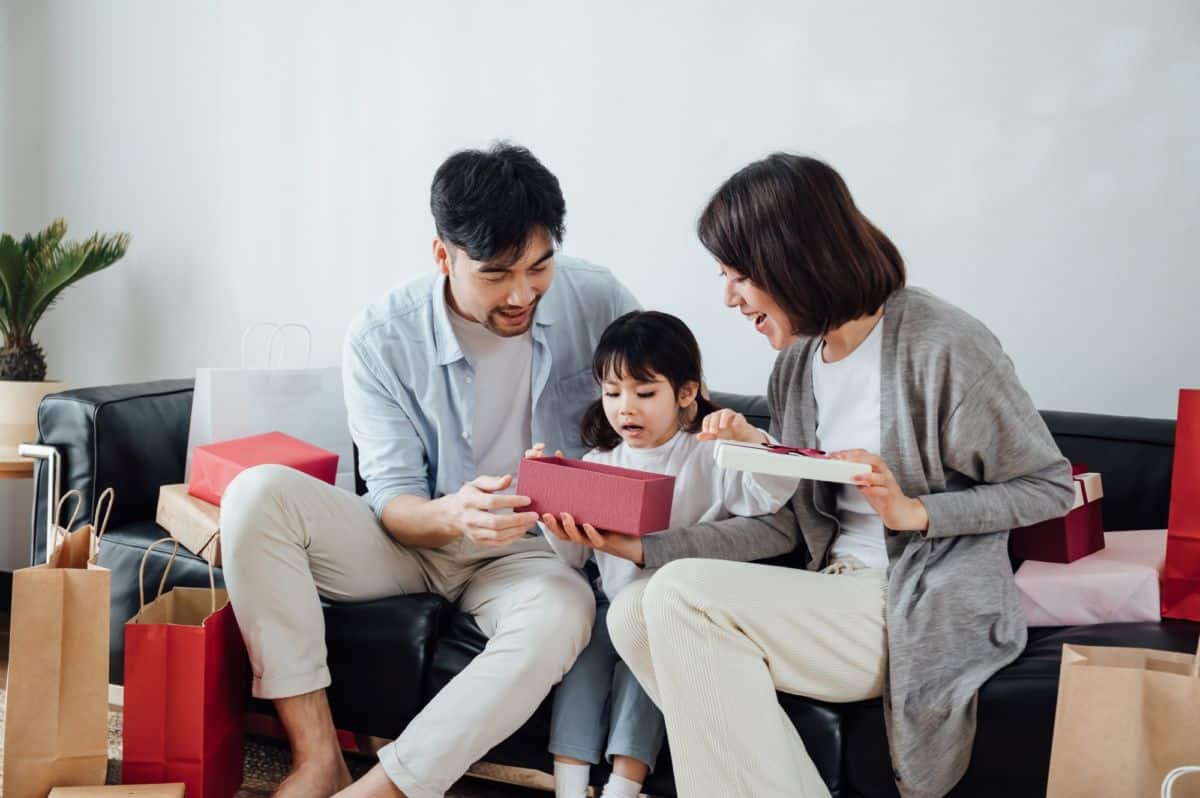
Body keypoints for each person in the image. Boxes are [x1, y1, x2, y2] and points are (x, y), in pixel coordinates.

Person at [604, 154, 1076, 798]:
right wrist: (643, 548)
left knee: (679, 596)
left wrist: (918, 513)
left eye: (739, 277)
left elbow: (1049, 486)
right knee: (632, 609)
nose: (729, 298)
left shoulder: (942, 345)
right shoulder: (796, 367)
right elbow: (779, 524)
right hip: (833, 589)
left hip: (915, 603)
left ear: (793, 262)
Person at [219, 142, 639, 798]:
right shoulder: (381, 337)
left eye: (539, 266)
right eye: (498, 274)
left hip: (528, 556)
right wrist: (455, 513)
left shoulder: (600, 299)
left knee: (565, 610)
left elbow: (658, 418)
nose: (522, 293)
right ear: (444, 256)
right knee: (254, 493)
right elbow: (391, 500)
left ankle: (387, 787)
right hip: (410, 538)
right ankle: (316, 758)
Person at [528, 310, 797, 798]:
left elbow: (769, 497)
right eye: (612, 393)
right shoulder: (600, 460)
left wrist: (750, 441)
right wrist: (550, 507)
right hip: (609, 600)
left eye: (645, 393)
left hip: (675, 612)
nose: (625, 408)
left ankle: (622, 787)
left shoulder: (708, 452)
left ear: (686, 393)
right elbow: (571, 558)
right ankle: (568, 787)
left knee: (648, 665)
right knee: (582, 663)